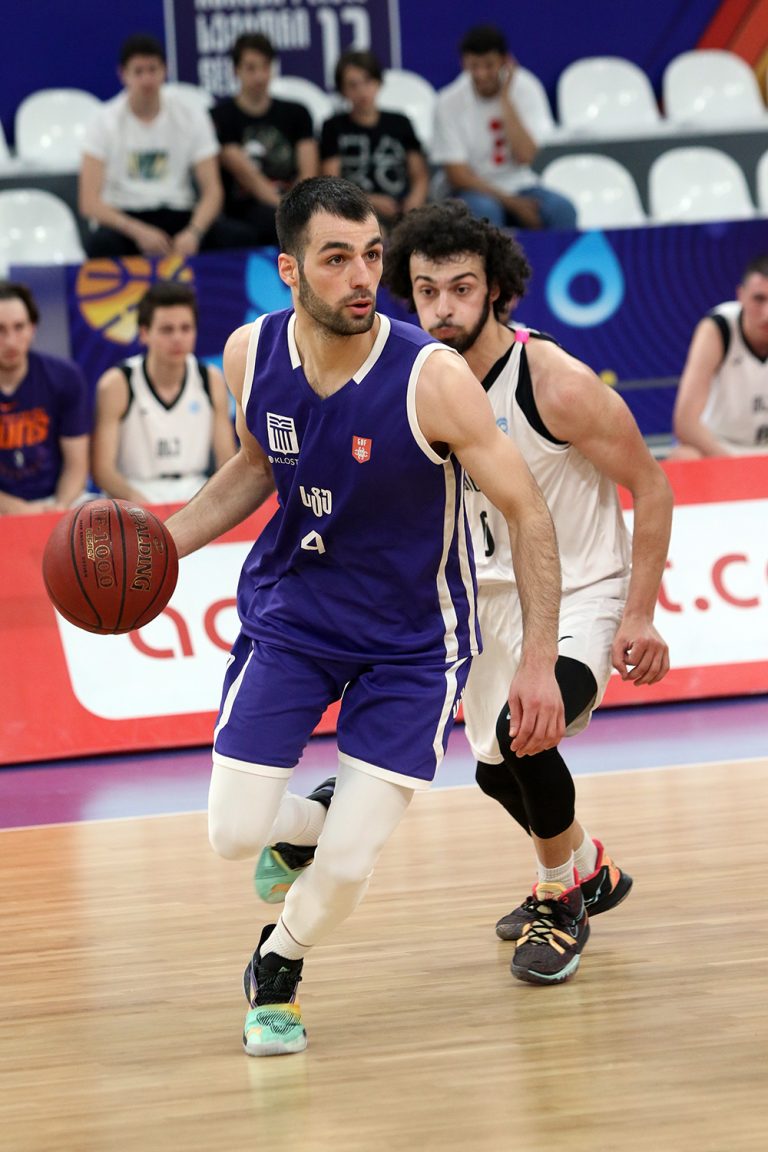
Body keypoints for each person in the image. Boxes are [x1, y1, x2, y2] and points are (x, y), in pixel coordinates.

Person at [164, 176, 565, 1055]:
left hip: (411, 644)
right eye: (336, 258)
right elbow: (254, 465)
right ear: (289, 270)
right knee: (233, 833)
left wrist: (538, 660)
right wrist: (166, 545)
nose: (361, 277)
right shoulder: (248, 353)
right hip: (295, 615)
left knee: (349, 864)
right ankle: (312, 823)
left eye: (373, 256)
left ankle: (279, 961)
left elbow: (529, 511)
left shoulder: (432, 379)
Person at [380, 201, 672, 984]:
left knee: (523, 735)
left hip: (580, 593)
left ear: (497, 290)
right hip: (489, 603)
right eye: (427, 291)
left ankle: (560, 901)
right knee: (490, 769)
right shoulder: (423, 386)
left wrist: (639, 614)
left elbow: (652, 485)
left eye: (461, 288)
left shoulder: (557, 384)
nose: (443, 307)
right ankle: (589, 867)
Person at [79, 34, 233, 258]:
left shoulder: (191, 116)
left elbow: (213, 191)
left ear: (165, 70)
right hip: (125, 217)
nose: (147, 80)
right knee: (101, 244)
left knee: (235, 237)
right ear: (123, 74)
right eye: (138, 72)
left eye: (152, 70)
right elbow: (89, 202)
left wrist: (194, 232)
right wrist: (137, 231)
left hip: (177, 212)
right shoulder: (102, 121)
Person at [91, 282, 236, 503]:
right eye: (167, 330)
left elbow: (226, 460)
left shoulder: (211, 379)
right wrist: (142, 505)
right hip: (133, 494)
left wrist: (208, 504)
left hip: (196, 491)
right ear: (144, 333)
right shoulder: (117, 383)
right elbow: (103, 471)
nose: (177, 338)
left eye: (185, 328)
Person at [431, 25, 576, 231]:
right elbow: (458, 176)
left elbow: (525, 156)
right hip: (472, 190)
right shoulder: (448, 101)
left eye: (489, 65)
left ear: (505, 61)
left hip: (521, 185)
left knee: (562, 210)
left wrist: (505, 99)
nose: (481, 74)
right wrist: (512, 204)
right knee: (486, 212)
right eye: (474, 66)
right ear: (464, 64)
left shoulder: (527, 88)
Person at [211, 33, 319, 247]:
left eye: (265, 67)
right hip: (244, 208)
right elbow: (246, 175)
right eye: (251, 68)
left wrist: (299, 205)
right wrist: (287, 212)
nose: (260, 76)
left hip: (296, 201)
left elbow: (309, 171)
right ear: (236, 70)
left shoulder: (297, 113)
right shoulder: (221, 116)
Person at [0, 281, 90, 514]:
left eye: (19, 327)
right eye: (0, 330)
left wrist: (59, 507)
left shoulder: (65, 376)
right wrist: (20, 510)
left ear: (33, 328)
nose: (10, 341)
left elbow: (76, 465)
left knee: (99, 512)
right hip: (4, 506)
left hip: (55, 501)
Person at [670, 255, 768, 458]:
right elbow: (685, 423)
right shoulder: (718, 329)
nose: (767, 314)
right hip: (722, 448)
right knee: (684, 456)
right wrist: (736, 466)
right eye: (759, 299)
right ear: (741, 295)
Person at [320, 50, 429, 230]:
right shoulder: (333, 127)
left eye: (367, 81)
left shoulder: (400, 122)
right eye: (353, 85)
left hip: (403, 208)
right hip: (355, 212)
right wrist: (369, 201)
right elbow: (331, 182)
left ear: (378, 82)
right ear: (342, 90)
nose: (362, 91)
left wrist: (414, 203)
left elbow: (419, 175)